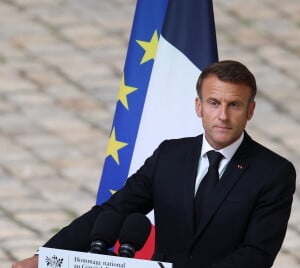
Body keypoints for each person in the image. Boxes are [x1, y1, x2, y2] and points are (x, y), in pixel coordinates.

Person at [13, 60, 296, 268]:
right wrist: (46, 258)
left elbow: (256, 254)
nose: (222, 115)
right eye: (213, 103)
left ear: (250, 110)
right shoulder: (170, 156)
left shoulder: (273, 173)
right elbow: (113, 211)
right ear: (199, 106)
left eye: (233, 105)